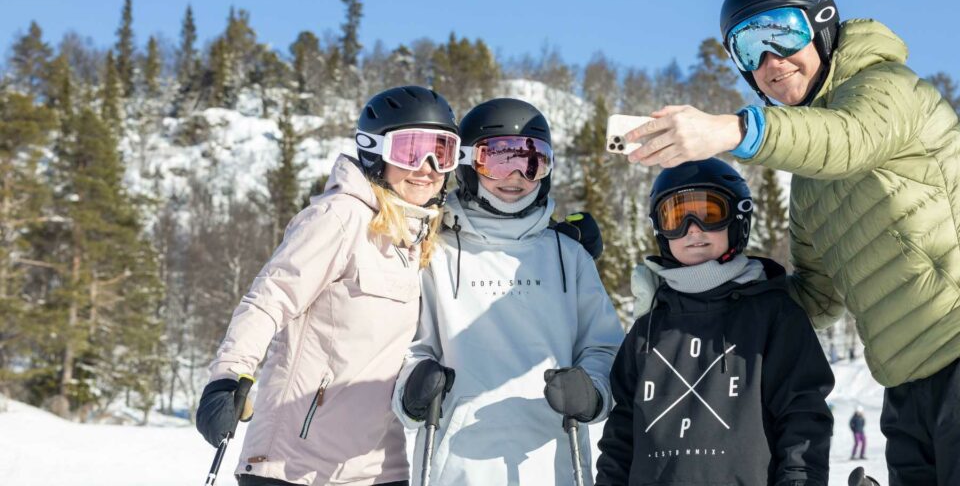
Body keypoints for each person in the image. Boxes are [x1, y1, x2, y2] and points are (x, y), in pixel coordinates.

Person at [625, 0, 960, 485]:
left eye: (782, 33)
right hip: (905, 381)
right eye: (749, 49)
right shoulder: (811, 185)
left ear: (822, 25)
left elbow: (849, 138)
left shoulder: (889, 88)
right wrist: (695, 294)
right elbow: (815, 298)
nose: (770, 61)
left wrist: (729, 129)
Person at [195, 86, 460, 486]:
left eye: (441, 152)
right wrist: (228, 376)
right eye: (409, 150)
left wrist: (561, 236)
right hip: (293, 463)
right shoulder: (339, 218)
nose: (426, 167)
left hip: (376, 467)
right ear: (375, 152)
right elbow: (270, 299)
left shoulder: (423, 237)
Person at [391, 97, 624, 485]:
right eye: (497, 159)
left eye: (532, 161)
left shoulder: (568, 256)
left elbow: (604, 348)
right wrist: (413, 389)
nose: (515, 175)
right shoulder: (437, 252)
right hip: (456, 464)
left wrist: (592, 391)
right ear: (467, 163)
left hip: (553, 461)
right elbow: (412, 347)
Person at [595, 158, 834, 486]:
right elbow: (621, 435)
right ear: (660, 230)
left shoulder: (773, 314)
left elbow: (802, 418)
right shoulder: (646, 329)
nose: (692, 229)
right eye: (676, 217)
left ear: (737, 219)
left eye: (709, 214)